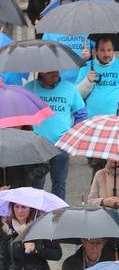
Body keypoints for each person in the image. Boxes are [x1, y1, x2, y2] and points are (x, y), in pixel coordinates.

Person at [24, 71, 87, 200]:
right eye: (50, 70)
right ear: (40, 71)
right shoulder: (30, 89)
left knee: (59, 183)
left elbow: (81, 114)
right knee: (36, 184)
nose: (55, 73)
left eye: (56, 69)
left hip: (61, 143)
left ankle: (58, 216)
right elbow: (20, 113)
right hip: (35, 145)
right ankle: (35, 216)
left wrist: (74, 135)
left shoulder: (70, 88)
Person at [0, 203, 61, 270]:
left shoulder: (43, 227)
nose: (19, 211)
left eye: (24, 207)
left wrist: (37, 248)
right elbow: (3, 260)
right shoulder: (8, 228)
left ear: (31, 209)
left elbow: (57, 254)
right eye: (16, 206)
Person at [76, 36, 119, 117]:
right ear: (96, 51)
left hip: (118, 118)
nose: (106, 54)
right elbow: (77, 96)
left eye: (109, 50)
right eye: (102, 50)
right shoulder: (86, 67)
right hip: (94, 119)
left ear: (113, 50)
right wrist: (87, 81)